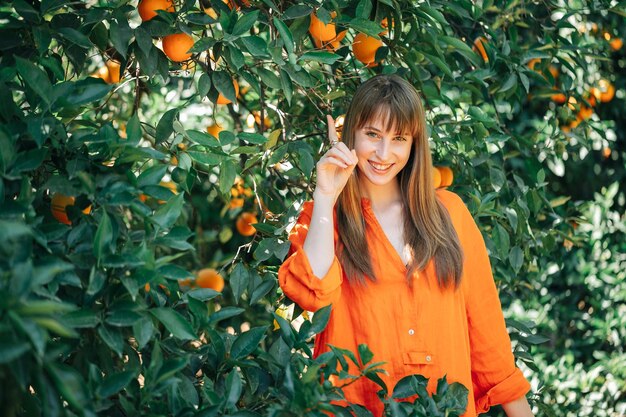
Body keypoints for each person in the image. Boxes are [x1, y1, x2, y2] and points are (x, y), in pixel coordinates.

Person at [277, 74, 534, 417]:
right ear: (350, 133)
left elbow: (489, 340)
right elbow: (312, 293)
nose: (384, 153)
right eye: (372, 134)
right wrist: (325, 196)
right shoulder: (325, 218)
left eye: (399, 138)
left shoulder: (450, 213)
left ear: (414, 144)